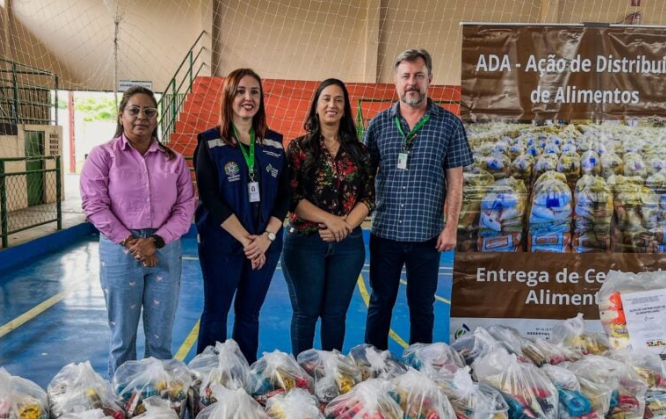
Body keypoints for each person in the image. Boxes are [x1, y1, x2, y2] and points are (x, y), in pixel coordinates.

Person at [80, 86, 196, 376]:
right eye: (134, 110)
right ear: (121, 115)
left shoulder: (174, 161)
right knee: (123, 340)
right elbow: (94, 205)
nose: (141, 117)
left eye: (149, 111)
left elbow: (185, 208)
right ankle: (122, 407)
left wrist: (154, 242)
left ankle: (158, 408)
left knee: (160, 341)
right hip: (120, 252)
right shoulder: (103, 156)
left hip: (165, 251)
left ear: (157, 119)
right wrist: (133, 243)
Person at [363, 48, 473, 348]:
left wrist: (451, 226)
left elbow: (455, 182)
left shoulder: (449, 125)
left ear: (430, 80)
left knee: (422, 305)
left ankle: (419, 369)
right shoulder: (378, 125)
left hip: (427, 235)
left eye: (419, 76)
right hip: (385, 232)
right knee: (380, 302)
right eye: (406, 76)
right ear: (396, 82)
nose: (412, 82)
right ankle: (374, 365)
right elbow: (361, 179)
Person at [193, 68, 290, 362]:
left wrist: (266, 239)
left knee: (249, 315)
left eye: (254, 92)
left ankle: (244, 378)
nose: (248, 98)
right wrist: (250, 241)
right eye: (241, 91)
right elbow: (210, 197)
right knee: (216, 313)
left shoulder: (274, 144)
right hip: (222, 244)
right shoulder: (210, 143)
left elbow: (285, 196)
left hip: (265, 245)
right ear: (228, 97)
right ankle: (208, 382)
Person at [282, 78, 375, 355]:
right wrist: (330, 220)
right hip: (304, 243)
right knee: (306, 313)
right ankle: (302, 376)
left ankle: (329, 377)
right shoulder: (298, 149)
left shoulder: (360, 152)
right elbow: (292, 198)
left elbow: (368, 197)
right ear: (316, 106)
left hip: (348, 245)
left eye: (338, 100)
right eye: (326, 99)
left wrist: (344, 226)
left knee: (335, 315)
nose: (332, 104)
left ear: (345, 108)